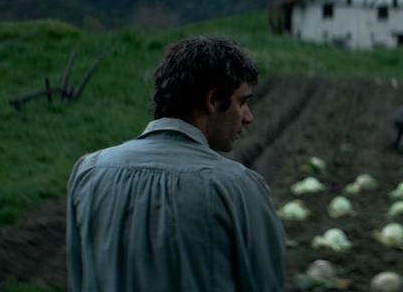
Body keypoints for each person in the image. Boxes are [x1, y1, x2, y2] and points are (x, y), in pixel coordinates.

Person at [66, 36, 285, 292]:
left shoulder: (89, 172)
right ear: (214, 101)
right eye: (243, 102)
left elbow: (79, 279)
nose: (248, 117)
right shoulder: (237, 188)